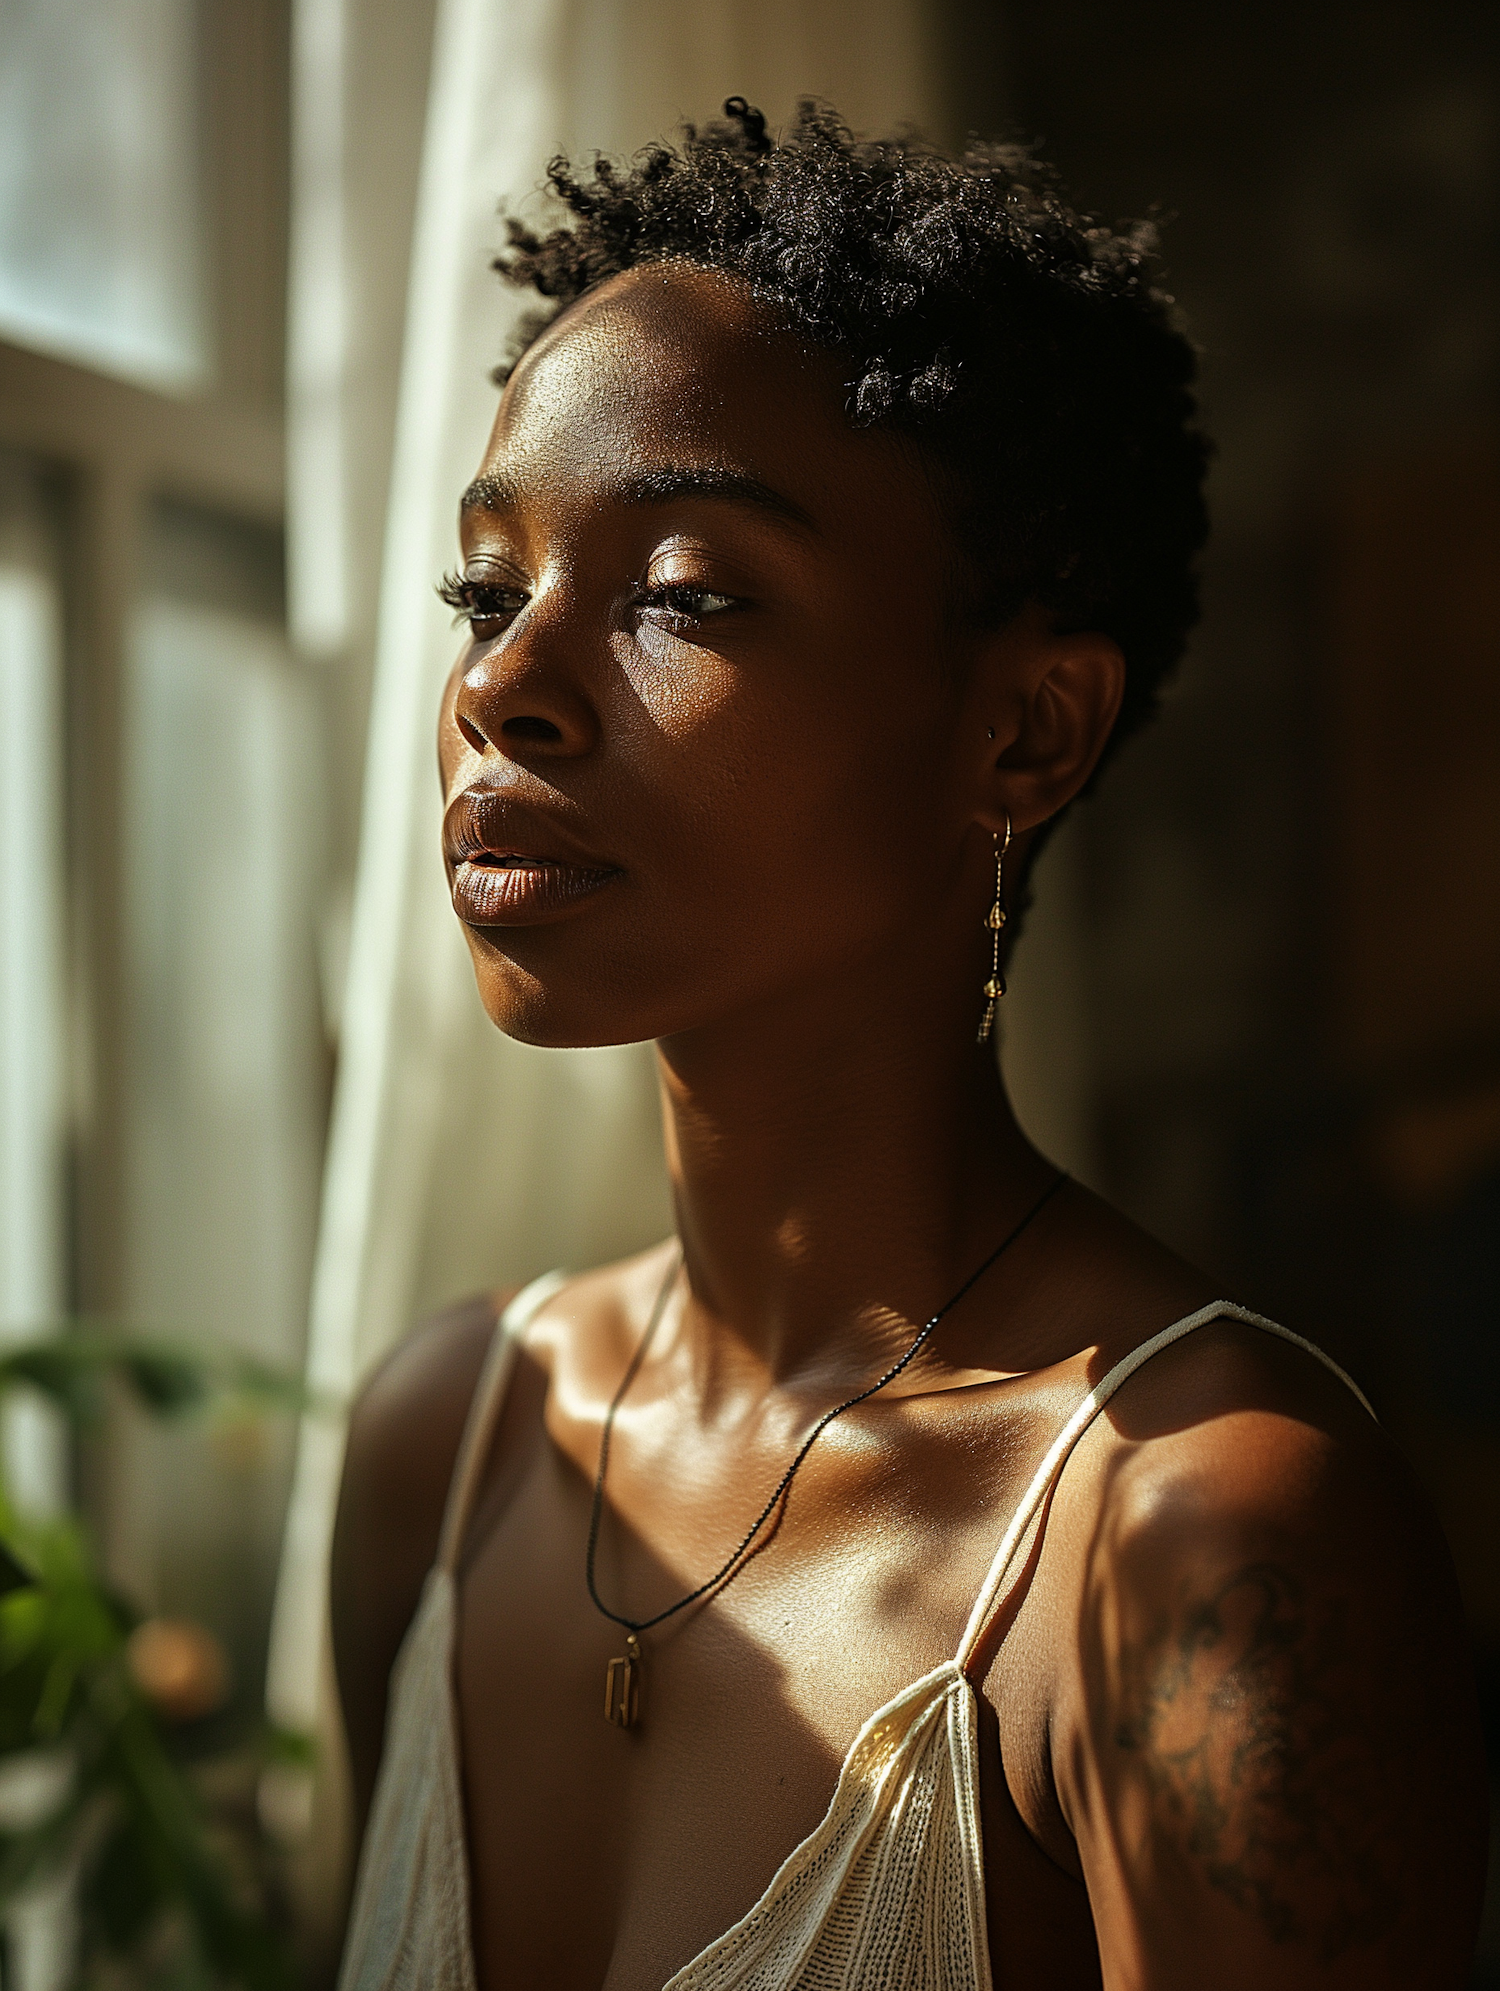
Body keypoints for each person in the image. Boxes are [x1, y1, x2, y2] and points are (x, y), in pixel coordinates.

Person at [329, 101, 1487, 1991]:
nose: (500, 686)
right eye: (486, 587)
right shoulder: (446, 1448)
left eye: (683, 592)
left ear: (1025, 733)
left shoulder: (1204, 1537)